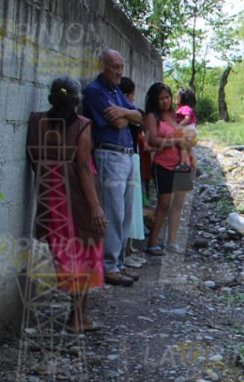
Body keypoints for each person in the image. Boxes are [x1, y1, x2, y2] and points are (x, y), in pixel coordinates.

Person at [26, 77, 107, 333]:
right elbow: (83, 166)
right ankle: (77, 319)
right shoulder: (82, 126)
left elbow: (33, 158)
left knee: (68, 256)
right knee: (86, 254)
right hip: (78, 198)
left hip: (51, 198)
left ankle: (76, 317)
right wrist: (95, 207)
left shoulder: (36, 122)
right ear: (76, 102)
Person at [82, 49, 142, 286]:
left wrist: (125, 112)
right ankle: (109, 265)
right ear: (103, 66)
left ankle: (119, 263)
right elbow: (118, 124)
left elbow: (138, 116)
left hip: (126, 155)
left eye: (121, 67)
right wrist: (128, 116)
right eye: (114, 67)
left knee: (126, 211)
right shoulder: (95, 92)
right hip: (110, 154)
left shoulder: (116, 91)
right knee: (114, 211)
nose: (119, 71)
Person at [143, 82, 194, 256]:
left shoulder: (175, 115)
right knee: (164, 204)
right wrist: (175, 142)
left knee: (178, 205)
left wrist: (189, 151)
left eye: (167, 97)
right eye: (161, 99)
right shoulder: (152, 117)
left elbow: (184, 135)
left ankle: (171, 241)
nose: (165, 101)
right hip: (164, 164)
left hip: (182, 164)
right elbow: (151, 141)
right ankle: (152, 242)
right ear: (154, 100)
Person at [118, 76, 147, 269]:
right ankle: (124, 254)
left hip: (132, 158)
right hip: (128, 160)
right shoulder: (124, 114)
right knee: (126, 210)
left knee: (131, 210)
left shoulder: (128, 113)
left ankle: (127, 251)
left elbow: (140, 117)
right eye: (132, 95)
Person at [174, 87, 198, 173]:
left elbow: (187, 118)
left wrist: (180, 125)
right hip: (190, 130)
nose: (175, 98)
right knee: (189, 149)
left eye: (177, 96)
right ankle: (194, 167)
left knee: (183, 146)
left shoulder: (185, 108)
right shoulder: (183, 108)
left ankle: (183, 163)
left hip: (188, 130)